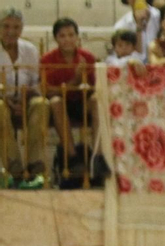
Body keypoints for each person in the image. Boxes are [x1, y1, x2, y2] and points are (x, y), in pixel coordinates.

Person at [0, 9, 49, 188]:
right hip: (2, 101)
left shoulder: (30, 50)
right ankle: (15, 170)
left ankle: (34, 167)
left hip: (25, 99)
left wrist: (24, 99)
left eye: (16, 27)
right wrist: (8, 101)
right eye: (6, 26)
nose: (11, 32)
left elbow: (37, 82)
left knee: (42, 104)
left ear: (21, 29)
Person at [40, 18, 95, 178]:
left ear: (77, 36)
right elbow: (48, 92)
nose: (67, 39)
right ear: (56, 38)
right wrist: (75, 80)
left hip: (83, 102)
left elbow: (94, 87)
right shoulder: (47, 60)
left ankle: (98, 156)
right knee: (56, 102)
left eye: (71, 35)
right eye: (62, 36)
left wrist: (83, 82)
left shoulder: (88, 57)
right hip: (61, 105)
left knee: (97, 101)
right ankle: (72, 157)